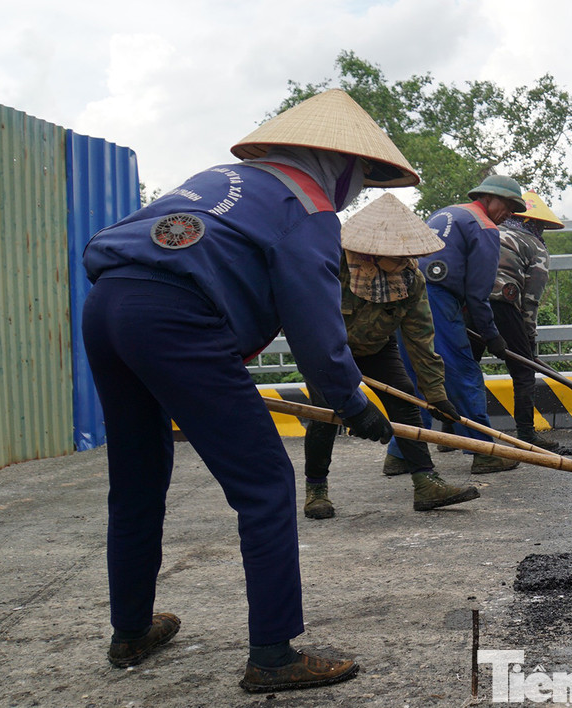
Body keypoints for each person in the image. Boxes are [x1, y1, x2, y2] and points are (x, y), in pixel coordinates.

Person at [81, 89, 413, 693]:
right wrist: (353, 403)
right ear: (335, 164)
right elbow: (317, 330)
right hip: (178, 318)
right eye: (358, 177)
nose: (355, 189)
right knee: (263, 483)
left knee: (135, 478)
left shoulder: (218, 179)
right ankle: (274, 655)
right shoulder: (307, 209)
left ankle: (130, 630)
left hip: (108, 305)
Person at [302, 193, 479, 517]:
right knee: (325, 414)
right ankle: (316, 489)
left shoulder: (411, 279)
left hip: (377, 347)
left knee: (407, 401)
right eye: (398, 255)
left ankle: (426, 482)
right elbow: (304, 316)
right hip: (327, 349)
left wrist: (437, 394)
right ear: (373, 251)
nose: (406, 261)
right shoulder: (333, 265)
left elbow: (420, 338)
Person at [384, 175, 527, 475]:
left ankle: (402, 454)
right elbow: (478, 294)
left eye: (515, 209)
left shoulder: (447, 212)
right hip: (435, 296)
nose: (509, 214)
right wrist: (492, 336)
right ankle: (485, 451)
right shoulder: (484, 227)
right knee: (462, 371)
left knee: (417, 375)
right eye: (508, 205)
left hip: (404, 289)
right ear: (489, 197)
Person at [478, 191, 564, 451]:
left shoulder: (489, 231)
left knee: (468, 366)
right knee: (523, 370)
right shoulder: (536, 247)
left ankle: (455, 431)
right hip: (503, 303)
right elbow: (530, 301)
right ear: (536, 224)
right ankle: (526, 434)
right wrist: (529, 341)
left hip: (470, 302)